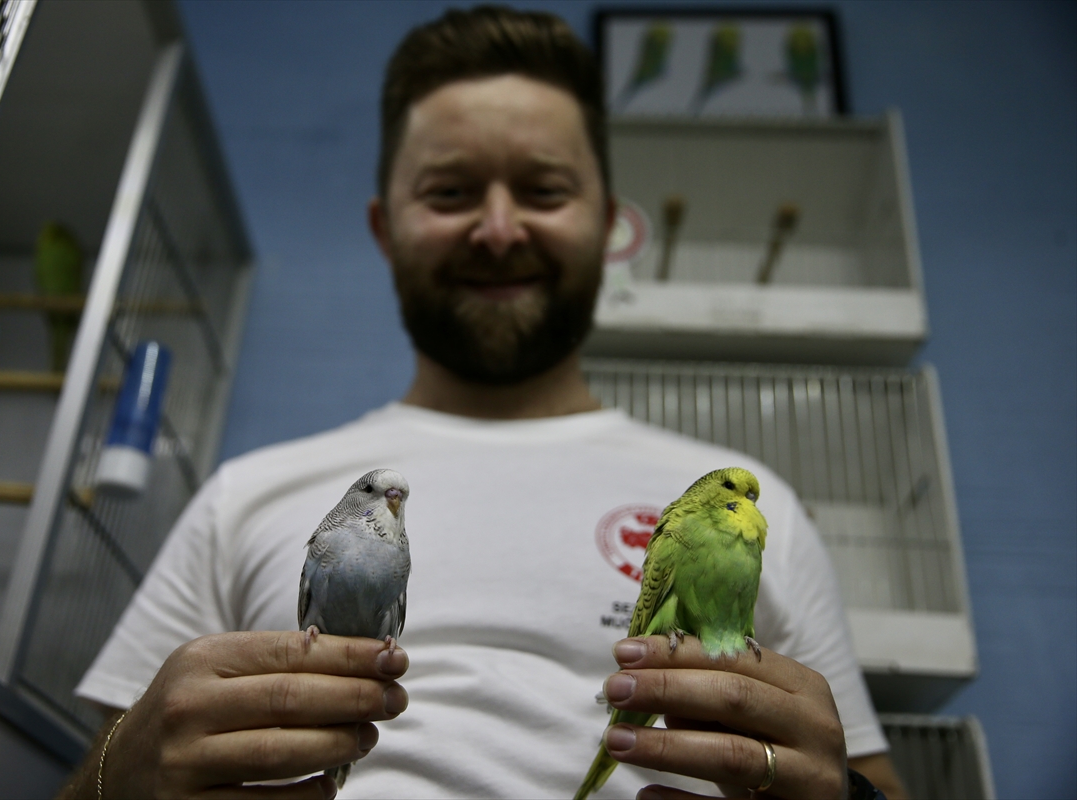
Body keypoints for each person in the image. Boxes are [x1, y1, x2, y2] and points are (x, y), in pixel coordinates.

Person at [60, 6, 906, 799]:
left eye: (544, 191)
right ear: (385, 228)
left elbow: (862, 775)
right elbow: (102, 767)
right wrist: (113, 780)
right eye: (450, 192)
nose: (499, 230)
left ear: (606, 225)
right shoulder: (242, 497)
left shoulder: (742, 505)